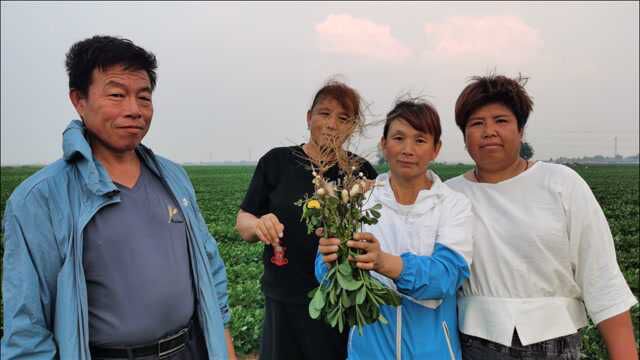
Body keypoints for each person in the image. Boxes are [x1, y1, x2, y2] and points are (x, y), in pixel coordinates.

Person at [1, 35, 236, 360]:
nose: (134, 110)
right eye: (116, 95)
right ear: (78, 100)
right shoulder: (39, 199)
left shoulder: (173, 178)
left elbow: (210, 271)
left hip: (188, 350)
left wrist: (224, 347)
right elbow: (27, 328)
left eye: (143, 97)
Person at [446, 74, 638, 359]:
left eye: (501, 120)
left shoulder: (561, 183)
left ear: (521, 130)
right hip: (473, 344)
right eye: (477, 123)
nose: (489, 131)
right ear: (464, 137)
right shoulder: (449, 196)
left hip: (555, 344)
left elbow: (601, 277)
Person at [316, 99, 474, 359]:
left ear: (436, 149)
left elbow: (446, 275)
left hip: (434, 352)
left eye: (420, 140)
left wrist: (384, 263)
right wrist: (330, 261)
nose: (408, 150)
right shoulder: (359, 200)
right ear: (384, 144)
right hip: (368, 352)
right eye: (398, 138)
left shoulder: (453, 205)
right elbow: (326, 276)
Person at [235, 81, 378, 360]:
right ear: (309, 117)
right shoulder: (277, 162)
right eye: (324, 114)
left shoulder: (360, 172)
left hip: (339, 300)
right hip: (284, 296)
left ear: (353, 127)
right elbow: (244, 219)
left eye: (343, 118)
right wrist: (258, 225)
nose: (332, 124)